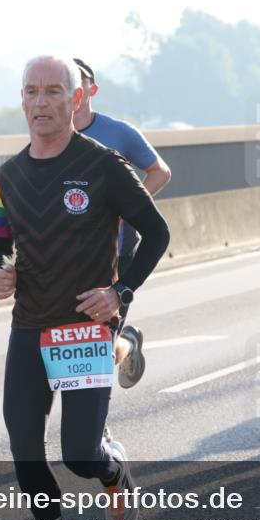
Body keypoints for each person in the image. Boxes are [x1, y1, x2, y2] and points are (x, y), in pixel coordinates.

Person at [0, 55, 170, 520]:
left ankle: (113, 473)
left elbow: (156, 233)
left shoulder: (105, 165)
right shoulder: (8, 176)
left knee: (80, 454)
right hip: (30, 327)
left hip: (84, 331)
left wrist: (121, 292)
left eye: (53, 92)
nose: (41, 103)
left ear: (75, 99)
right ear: (22, 100)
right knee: (23, 448)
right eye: (31, 92)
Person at [72, 58, 172, 390]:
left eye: (78, 78)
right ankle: (126, 342)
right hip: (68, 258)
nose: (71, 83)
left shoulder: (119, 133)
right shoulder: (49, 138)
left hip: (116, 254)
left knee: (97, 348)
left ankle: (97, 430)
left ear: (91, 89)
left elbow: (161, 172)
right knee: (76, 346)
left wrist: (128, 205)